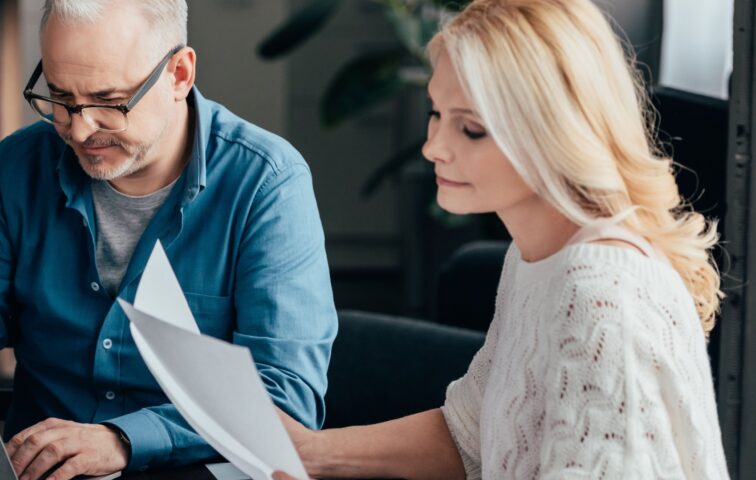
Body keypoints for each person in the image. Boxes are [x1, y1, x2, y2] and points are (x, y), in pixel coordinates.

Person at [275, 0, 729, 478]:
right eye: (436, 113)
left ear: (552, 133)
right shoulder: (536, 254)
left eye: (471, 129)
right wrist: (311, 453)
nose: (434, 146)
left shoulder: (600, 301)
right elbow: (468, 435)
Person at [0, 0, 338, 478]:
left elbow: (285, 399)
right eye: (60, 97)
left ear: (179, 75)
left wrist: (125, 440)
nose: (79, 129)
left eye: (107, 100)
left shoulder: (266, 184)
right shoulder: (18, 167)